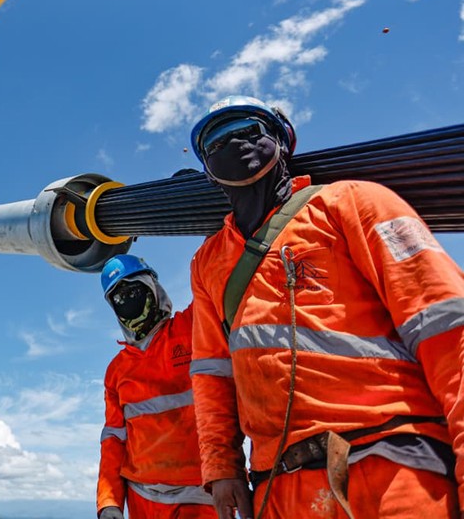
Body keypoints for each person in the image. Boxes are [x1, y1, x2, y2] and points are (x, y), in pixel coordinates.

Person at [186, 95, 464, 519]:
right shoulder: (208, 262)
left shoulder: (354, 203)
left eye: (248, 131)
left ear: (282, 141)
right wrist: (222, 467)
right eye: (217, 142)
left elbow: (447, 330)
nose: (235, 144)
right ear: (208, 170)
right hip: (276, 486)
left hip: (389, 463)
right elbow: (212, 373)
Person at [97, 254, 216, 519]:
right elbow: (114, 441)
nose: (128, 301)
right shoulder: (116, 372)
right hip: (144, 502)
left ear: (153, 289)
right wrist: (109, 501)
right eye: (119, 298)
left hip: (205, 495)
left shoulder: (192, 328)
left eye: (134, 291)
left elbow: (217, 278)